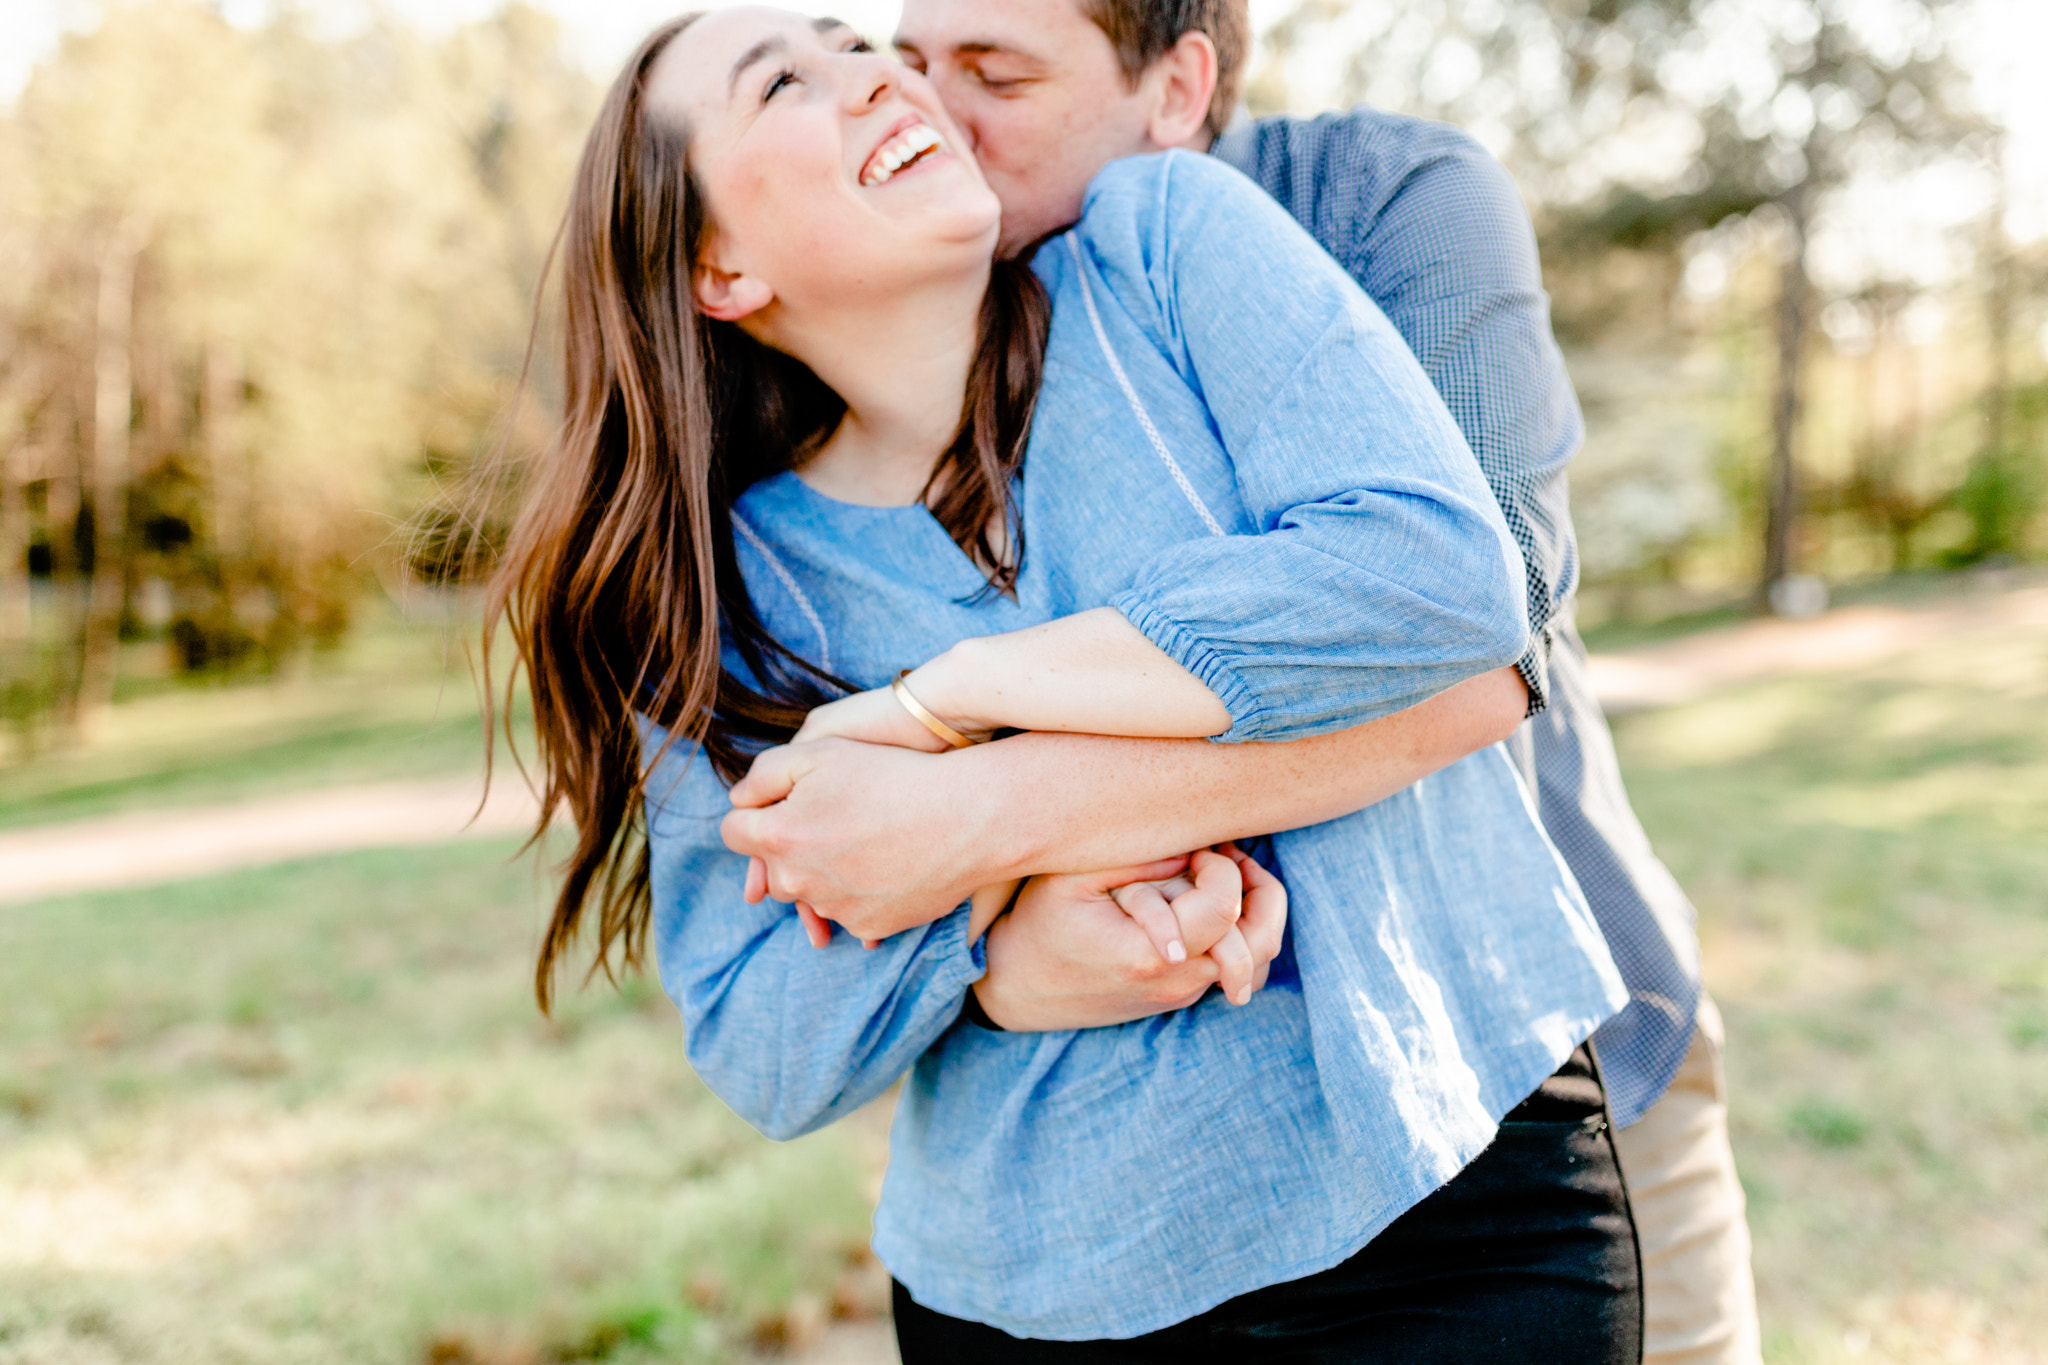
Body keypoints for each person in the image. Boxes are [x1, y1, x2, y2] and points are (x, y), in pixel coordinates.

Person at [486, 7, 1640, 1359]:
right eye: (785, 82)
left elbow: (1441, 575)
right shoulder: (729, 598)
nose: (873, 74)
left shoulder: (1167, 242)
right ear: (718, 266)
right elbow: (762, 1042)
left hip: (1457, 1203)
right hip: (1033, 1300)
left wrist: (955, 722)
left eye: (862, 45)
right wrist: (989, 948)